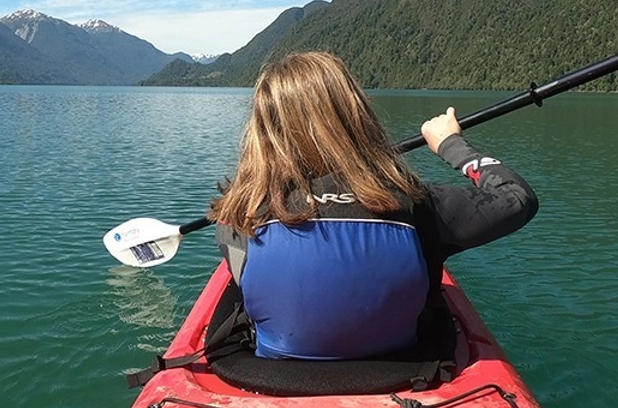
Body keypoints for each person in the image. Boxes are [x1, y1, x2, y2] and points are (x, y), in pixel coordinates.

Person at [209, 51, 538, 361]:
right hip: (405, 371)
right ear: (357, 116)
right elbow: (518, 197)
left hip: (273, 376)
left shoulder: (236, 217)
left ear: (262, 131)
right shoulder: (419, 207)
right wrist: (452, 144)